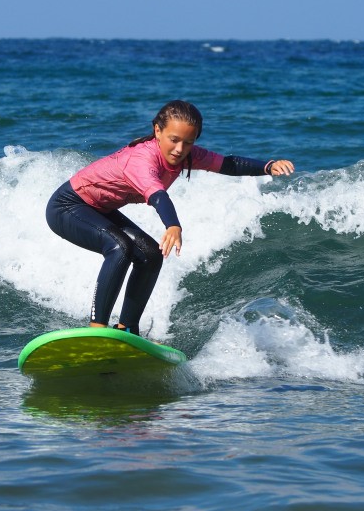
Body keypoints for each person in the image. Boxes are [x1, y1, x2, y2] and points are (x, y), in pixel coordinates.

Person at [46, 100, 295, 336]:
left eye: (188, 142)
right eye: (174, 140)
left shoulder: (187, 154)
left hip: (99, 208)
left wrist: (267, 166)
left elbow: (228, 164)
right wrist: (173, 225)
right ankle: (97, 328)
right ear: (157, 131)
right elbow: (157, 196)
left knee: (151, 255)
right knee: (119, 247)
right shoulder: (142, 159)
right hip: (67, 206)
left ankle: (127, 329)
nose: (180, 149)